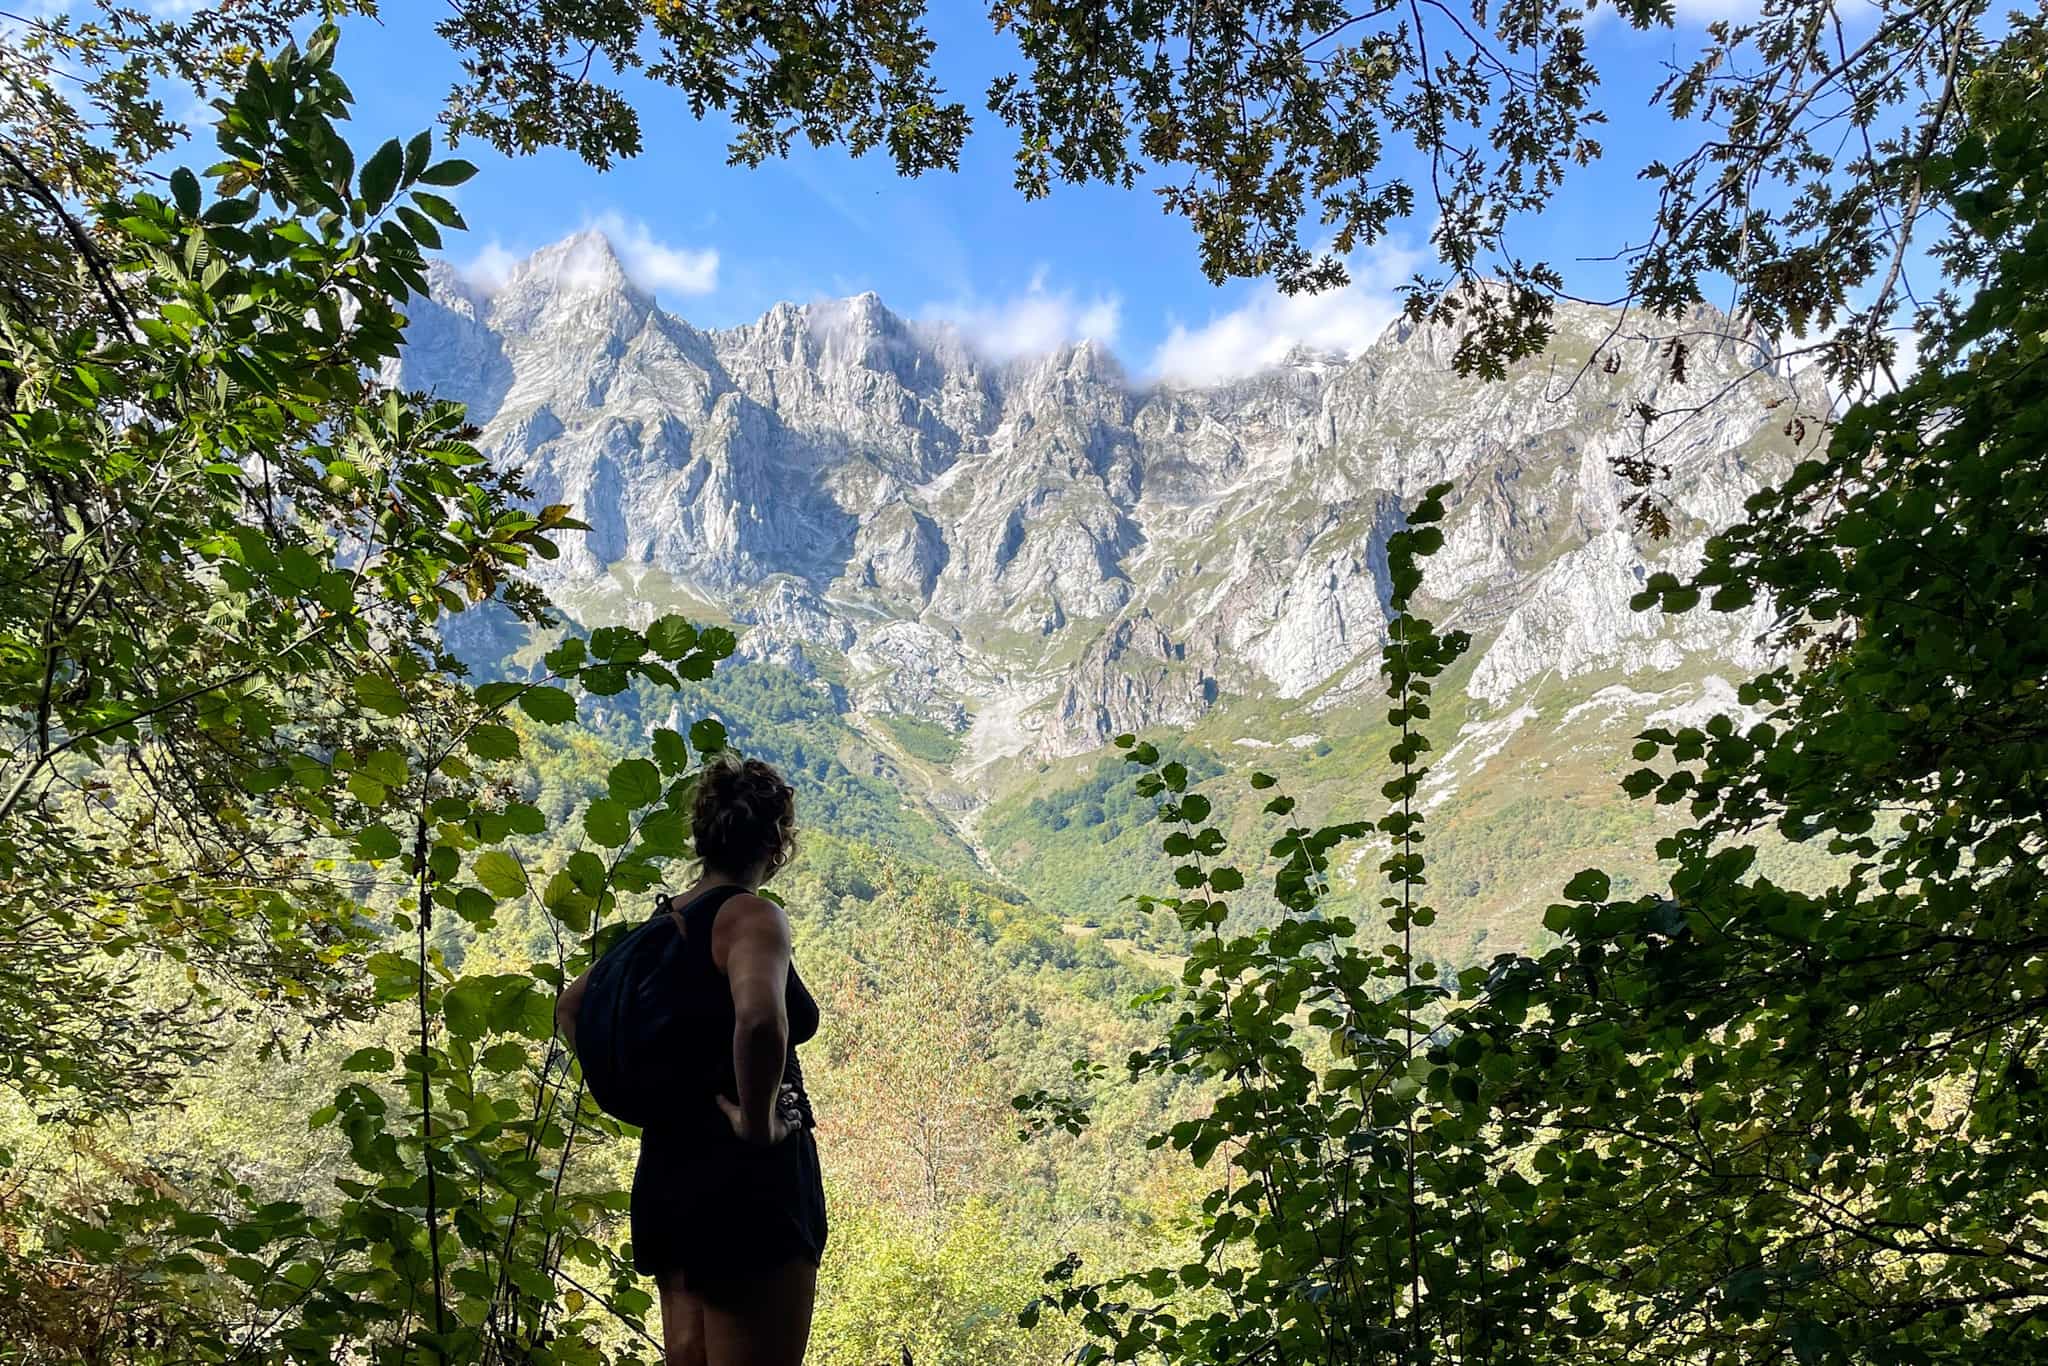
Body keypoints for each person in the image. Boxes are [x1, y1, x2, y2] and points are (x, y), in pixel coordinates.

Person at [556, 755, 826, 1366]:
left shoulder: (661, 924)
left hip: (671, 1169)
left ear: (701, 834)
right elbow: (760, 1020)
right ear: (779, 842)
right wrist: (756, 1122)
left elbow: (573, 1007)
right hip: (749, 1180)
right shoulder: (751, 916)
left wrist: (650, 1097)